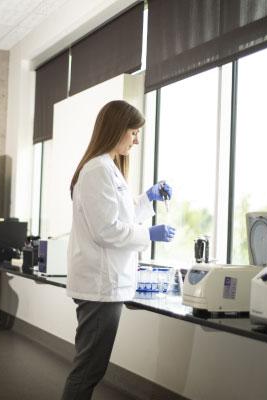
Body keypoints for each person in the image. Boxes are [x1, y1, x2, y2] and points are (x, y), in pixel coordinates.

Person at [61, 100, 176, 399]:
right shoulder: (97, 169)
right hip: (100, 285)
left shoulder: (107, 168)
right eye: (133, 132)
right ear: (117, 130)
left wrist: (147, 197)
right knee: (88, 370)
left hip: (104, 283)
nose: (136, 140)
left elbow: (119, 217)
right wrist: (149, 234)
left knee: (90, 367)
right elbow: (107, 230)